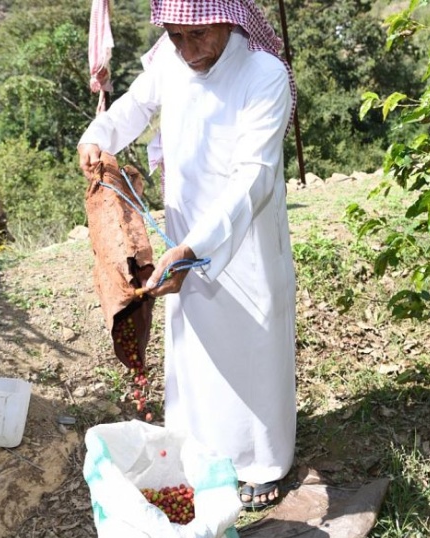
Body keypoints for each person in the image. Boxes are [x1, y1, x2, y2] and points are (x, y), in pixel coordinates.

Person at [78, 0, 296, 510]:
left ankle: (262, 464)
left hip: (244, 242)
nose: (185, 48)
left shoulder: (264, 74)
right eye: (174, 36)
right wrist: (98, 136)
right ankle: (203, 457)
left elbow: (254, 176)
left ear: (227, 19)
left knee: (252, 352)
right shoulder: (171, 64)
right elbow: (131, 108)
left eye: (195, 36)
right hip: (184, 237)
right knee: (195, 354)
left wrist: (198, 247)